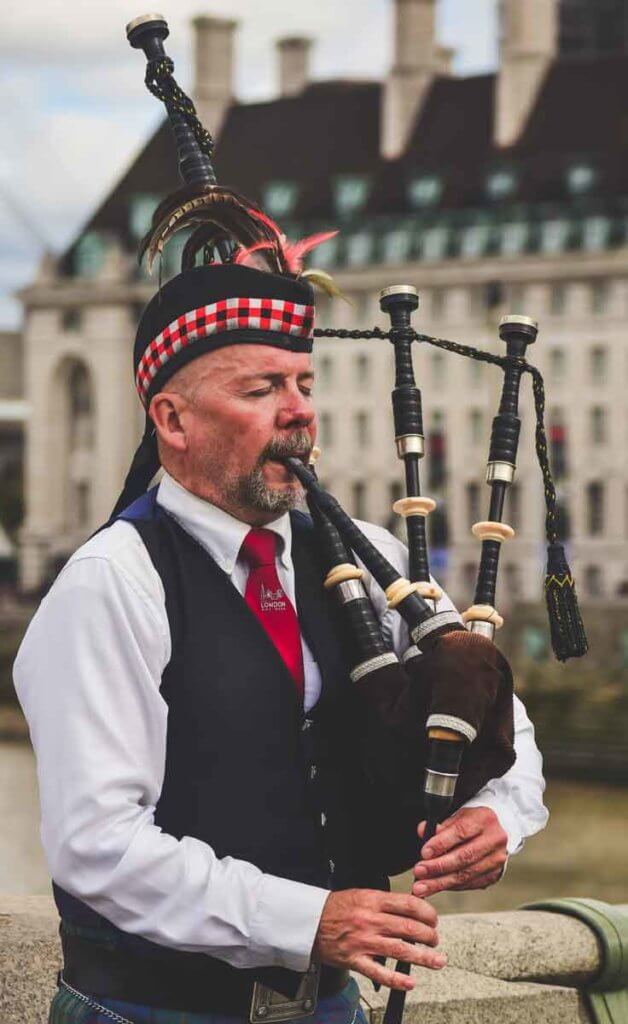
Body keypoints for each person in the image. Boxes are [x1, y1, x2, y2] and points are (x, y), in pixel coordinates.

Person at [14, 259, 548, 1024]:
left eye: (304, 385)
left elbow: (496, 707)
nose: (298, 412)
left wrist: (501, 812)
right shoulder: (111, 583)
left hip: (332, 1008)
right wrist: (307, 922)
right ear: (172, 421)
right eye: (260, 389)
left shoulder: (368, 556)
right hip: (151, 1013)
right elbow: (98, 843)